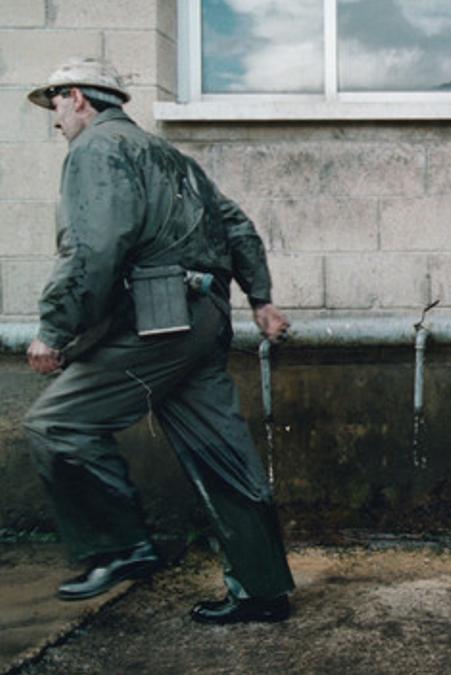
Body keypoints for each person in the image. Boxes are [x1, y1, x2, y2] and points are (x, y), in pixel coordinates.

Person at [22, 57, 295, 624]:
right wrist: (260, 299)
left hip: (156, 319)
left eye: (54, 103)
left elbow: (93, 250)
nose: (54, 119)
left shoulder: (97, 150)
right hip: (203, 320)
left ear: (77, 96)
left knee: (56, 425)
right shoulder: (176, 160)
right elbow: (238, 227)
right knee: (223, 455)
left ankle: (120, 548)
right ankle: (262, 591)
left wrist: (55, 329)